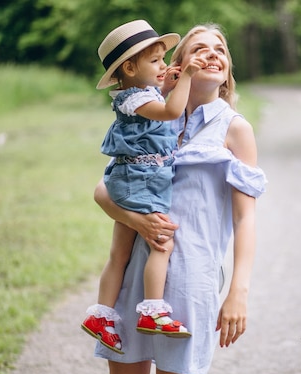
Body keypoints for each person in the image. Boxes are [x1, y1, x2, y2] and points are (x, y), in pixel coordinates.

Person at [92, 23, 267, 374]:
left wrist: (238, 290)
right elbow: (104, 190)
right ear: (178, 65)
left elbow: (245, 220)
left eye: (219, 49)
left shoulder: (235, 129)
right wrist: (138, 223)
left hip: (191, 276)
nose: (212, 54)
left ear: (226, 69)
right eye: (200, 48)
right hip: (135, 273)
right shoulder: (150, 114)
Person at [82, 20, 208, 354]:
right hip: (142, 183)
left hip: (131, 179)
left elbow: (160, 100)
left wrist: (166, 83)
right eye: (155, 61)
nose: (164, 66)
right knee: (162, 243)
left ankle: (101, 317)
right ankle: (154, 310)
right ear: (130, 67)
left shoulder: (141, 93)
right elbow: (169, 111)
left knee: (119, 254)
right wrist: (188, 79)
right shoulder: (134, 99)